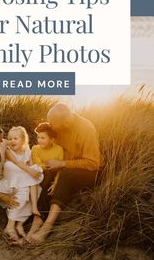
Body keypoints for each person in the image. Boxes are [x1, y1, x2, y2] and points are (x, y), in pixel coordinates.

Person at [27, 104, 104, 244]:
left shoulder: (86, 129)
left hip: (89, 172)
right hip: (64, 166)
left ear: (66, 122)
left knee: (66, 174)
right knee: (47, 171)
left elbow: (93, 163)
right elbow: (44, 133)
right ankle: (38, 219)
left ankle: (48, 225)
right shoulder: (57, 126)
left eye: (53, 123)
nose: (50, 126)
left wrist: (62, 165)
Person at [3, 126, 43, 240]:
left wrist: (32, 170)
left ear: (23, 140)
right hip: (11, 179)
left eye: (15, 138)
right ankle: (11, 226)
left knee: (36, 189)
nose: (12, 141)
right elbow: (19, 165)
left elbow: (30, 166)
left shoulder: (27, 150)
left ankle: (19, 224)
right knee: (27, 183)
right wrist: (31, 171)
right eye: (10, 138)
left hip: (22, 179)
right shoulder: (8, 150)